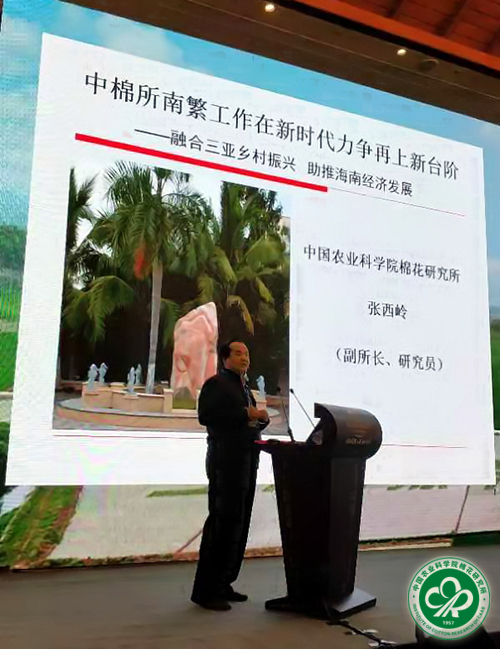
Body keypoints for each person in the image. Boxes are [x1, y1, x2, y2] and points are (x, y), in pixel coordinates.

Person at [191, 340, 270, 611]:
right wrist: (245, 413)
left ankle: (224, 582)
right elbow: (206, 416)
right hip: (225, 461)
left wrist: (261, 419)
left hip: (247, 460)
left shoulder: (244, 387)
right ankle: (206, 591)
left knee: (239, 523)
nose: (244, 357)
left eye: (247, 353)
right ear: (225, 358)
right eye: (238, 353)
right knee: (222, 523)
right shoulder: (216, 384)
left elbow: (247, 420)